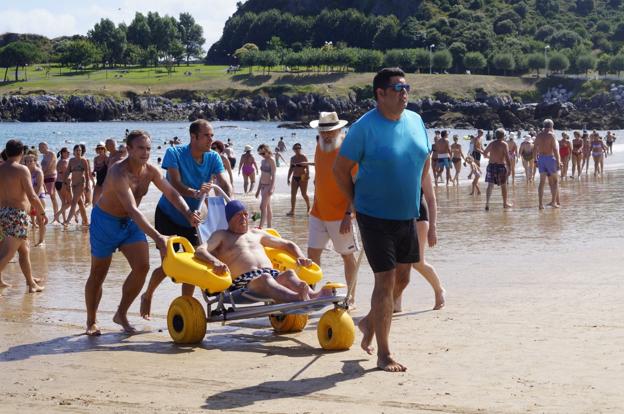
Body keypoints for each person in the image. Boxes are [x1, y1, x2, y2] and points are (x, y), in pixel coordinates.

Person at [334, 67, 431, 372]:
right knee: (386, 279)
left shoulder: (416, 121)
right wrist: (355, 204)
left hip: (407, 213)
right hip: (373, 215)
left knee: (403, 278)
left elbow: (424, 159)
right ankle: (384, 354)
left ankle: (369, 321)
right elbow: (340, 169)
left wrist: (417, 195)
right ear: (381, 94)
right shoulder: (364, 128)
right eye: (399, 88)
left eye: (408, 88)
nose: (405, 93)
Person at [84, 130, 201, 336]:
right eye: (140, 148)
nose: (145, 152)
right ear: (129, 149)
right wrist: (158, 237)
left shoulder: (151, 171)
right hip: (106, 222)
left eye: (148, 148)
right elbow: (133, 208)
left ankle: (121, 314)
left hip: (130, 223)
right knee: (98, 273)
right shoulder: (117, 172)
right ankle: (91, 321)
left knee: (142, 267)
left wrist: (188, 213)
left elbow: (171, 192)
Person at [140, 120, 232, 320]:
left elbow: (224, 182)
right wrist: (197, 192)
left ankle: (186, 307)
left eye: (212, 135)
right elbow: (175, 185)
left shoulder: (213, 156)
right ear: (193, 137)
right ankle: (147, 296)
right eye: (207, 135)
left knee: (194, 261)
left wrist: (231, 204)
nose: (211, 139)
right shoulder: (174, 153)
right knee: (168, 264)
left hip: (194, 218)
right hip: (168, 215)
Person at [194, 200, 332, 302]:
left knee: (289, 273)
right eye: (238, 215)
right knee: (265, 279)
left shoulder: (256, 233)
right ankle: (297, 298)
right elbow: (200, 250)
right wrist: (215, 262)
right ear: (229, 219)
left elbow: (287, 244)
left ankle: (313, 295)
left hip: (271, 275)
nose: (243, 218)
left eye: (245, 214)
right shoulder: (222, 235)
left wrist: (301, 257)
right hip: (243, 284)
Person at [307, 112, 359, 306]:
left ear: (339, 129)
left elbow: (356, 184)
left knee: (347, 256)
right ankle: (310, 295)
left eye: (330, 131)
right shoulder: (320, 146)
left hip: (340, 214)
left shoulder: (348, 149)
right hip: (318, 211)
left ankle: (351, 298)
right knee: (312, 255)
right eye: (323, 131)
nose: (326, 135)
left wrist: (348, 214)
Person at [393, 156, 445, 312]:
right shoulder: (392, 163)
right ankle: (396, 304)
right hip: (396, 217)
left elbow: (431, 199)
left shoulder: (421, 164)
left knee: (418, 263)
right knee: (396, 264)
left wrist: (433, 228)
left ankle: (439, 290)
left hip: (419, 217)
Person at [0, 140, 47, 292]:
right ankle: (31, 284)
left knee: (24, 250)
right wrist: (42, 213)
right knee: (8, 254)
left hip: (3, 213)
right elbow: (32, 196)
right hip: (16, 215)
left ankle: (31, 283)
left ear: (6, 152)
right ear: (21, 153)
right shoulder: (21, 169)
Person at [534, 119, 562, 209]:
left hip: (541, 158)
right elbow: (555, 150)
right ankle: (553, 202)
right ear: (551, 126)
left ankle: (540, 204)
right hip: (550, 158)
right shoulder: (551, 135)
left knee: (542, 182)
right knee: (555, 181)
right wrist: (558, 161)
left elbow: (534, 148)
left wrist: (535, 160)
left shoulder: (538, 135)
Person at [483, 128, 513, 210]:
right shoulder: (504, 144)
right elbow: (507, 157)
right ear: (503, 136)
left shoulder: (492, 143)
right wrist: (509, 168)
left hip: (491, 165)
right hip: (500, 166)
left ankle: (487, 203)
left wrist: (491, 157)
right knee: (503, 185)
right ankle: (505, 203)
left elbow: (485, 153)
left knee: (490, 185)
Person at [62, 145, 90, 226]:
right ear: (74, 152)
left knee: (74, 202)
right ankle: (86, 221)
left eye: (80, 150)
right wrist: (64, 181)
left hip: (81, 184)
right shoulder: (71, 160)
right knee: (80, 203)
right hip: (73, 184)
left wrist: (87, 185)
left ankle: (67, 221)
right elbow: (67, 171)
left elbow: (87, 174)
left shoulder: (84, 160)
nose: (78, 152)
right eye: (77, 150)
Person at [24, 154, 46, 246]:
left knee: (40, 220)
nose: (29, 162)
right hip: (28, 198)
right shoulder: (25, 172)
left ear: (35, 161)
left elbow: (39, 187)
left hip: (39, 197)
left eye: (31, 161)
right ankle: (24, 240)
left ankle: (41, 240)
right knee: (24, 219)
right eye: (27, 161)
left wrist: (33, 202)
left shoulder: (38, 172)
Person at [286, 143, 311, 216]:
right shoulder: (292, 158)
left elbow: (307, 168)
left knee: (304, 194)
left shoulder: (304, 157)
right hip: (294, 177)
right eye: (296, 148)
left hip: (302, 177)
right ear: (293, 149)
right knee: (293, 194)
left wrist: (307, 176)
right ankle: (292, 210)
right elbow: (291, 169)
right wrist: (288, 178)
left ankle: (309, 208)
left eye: (299, 148)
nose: (297, 149)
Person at [255, 144, 276, 228]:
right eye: (260, 154)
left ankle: (260, 227)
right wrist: (257, 190)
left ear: (267, 151)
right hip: (263, 185)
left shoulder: (271, 160)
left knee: (262, 207)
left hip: (269, 185)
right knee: (267, 206)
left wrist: (271, 188)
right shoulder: (263, 161)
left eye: (263, 153)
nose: (262, 156)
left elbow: (273, 175)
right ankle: (269, 227)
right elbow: (262, 176)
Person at [38, 142, 59, 221]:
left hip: (51, 177)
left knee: (53, 197)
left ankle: (56, 217)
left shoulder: (52, 154)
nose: (39, 149)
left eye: (40, 147)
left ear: (45, 146)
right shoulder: (44, 156)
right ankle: (41, 217)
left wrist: (40, 174)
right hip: (44, 177)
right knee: (41, 196)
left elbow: (49, 166)